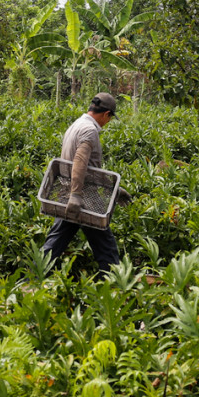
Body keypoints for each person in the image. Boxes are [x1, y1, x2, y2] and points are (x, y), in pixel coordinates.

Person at [42, 93, 131, 275]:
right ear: (106, 114)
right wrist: (76, 196)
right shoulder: (89, 131)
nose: (108, 122)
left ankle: (35, 276)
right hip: (84, 198)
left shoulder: (77, 124)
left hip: (68, 193)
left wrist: (114, 189)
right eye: (110, 118)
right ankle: (114, 284)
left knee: (56, 241)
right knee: (105, 244)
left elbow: (90, 168)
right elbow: (80, 163)